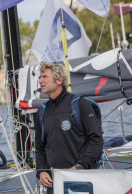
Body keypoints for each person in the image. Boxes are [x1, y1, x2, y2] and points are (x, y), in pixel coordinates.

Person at [35, 62, 104, 193]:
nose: (40, 80)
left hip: (82, 179)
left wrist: (79, 166)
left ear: (59, 80)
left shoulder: (80, 104)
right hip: (54, 183)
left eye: (44, 77)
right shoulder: (42, 112)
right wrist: (41, 171)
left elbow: (96, 140)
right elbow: (40, 148)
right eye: (39, 77)